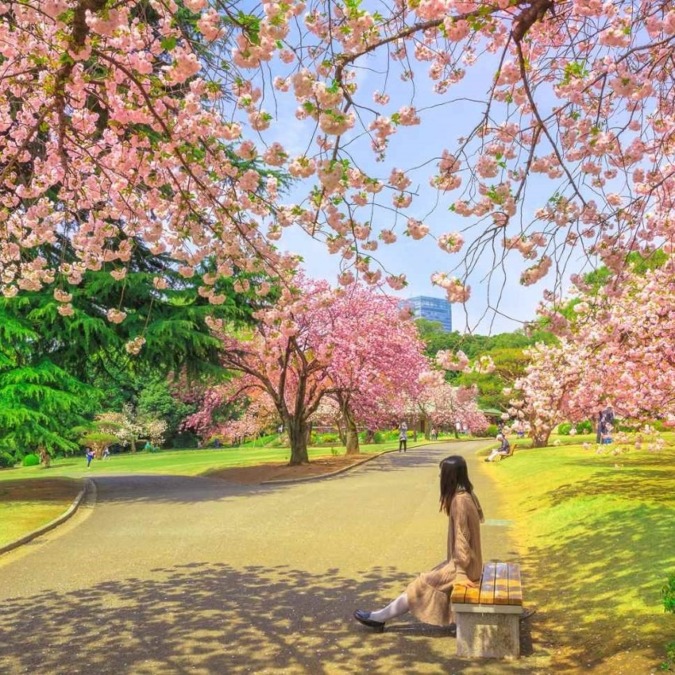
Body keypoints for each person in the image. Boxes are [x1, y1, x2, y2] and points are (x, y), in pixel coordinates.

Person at [353, 455, 484, 631]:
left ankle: (379, 617)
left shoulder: (459, 501)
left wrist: (460, 573)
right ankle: (380, 616)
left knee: (422, 583)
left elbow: (462, 538)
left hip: (465, 567)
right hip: (468, 564)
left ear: (450, 476)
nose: (439, 477)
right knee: (428, 577)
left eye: (442, 473)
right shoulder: (467, 494)